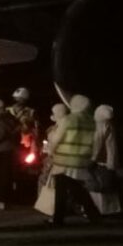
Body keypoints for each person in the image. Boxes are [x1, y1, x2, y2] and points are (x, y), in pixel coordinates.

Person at [47, 94, 101, 226]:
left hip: (64, 160)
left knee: (62, 191)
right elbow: (97, 141)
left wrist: (50, 150)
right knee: (76, 188)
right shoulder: (91, 121)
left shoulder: (68, 120)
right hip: (81, 160)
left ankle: (58, 219)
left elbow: (57, 138)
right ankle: (94, 216)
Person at [90, 104, 121, 215]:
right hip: (110, 160)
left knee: (99, 185)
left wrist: (92, 159)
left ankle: (100, 209)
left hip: (101, 161)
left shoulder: (99, 125)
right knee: (109, 185)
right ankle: (112, 209)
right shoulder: (110, 125)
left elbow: (97, 144)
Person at [8, 86, 40, 155]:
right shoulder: (7, 110)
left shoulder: (31, 112)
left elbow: (36, 129)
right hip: (10, 142)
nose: (18, 100)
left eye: (20, 99)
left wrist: (34, 145)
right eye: (16, 98)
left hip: (25, 143)